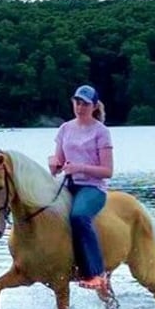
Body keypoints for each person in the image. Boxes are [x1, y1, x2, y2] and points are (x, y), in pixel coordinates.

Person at [48, 84, 113, 292]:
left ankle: (95, 272)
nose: (80, 106)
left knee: (78, 216)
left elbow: (108, 171)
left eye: (85, 103)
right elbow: (59, 161)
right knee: (40, 210)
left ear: (94, 106)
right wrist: (54, 163)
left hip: (93, 187)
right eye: (77, 102)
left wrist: (80, 167)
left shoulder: (101, 131)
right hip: (68, 184)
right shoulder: (65, 128)